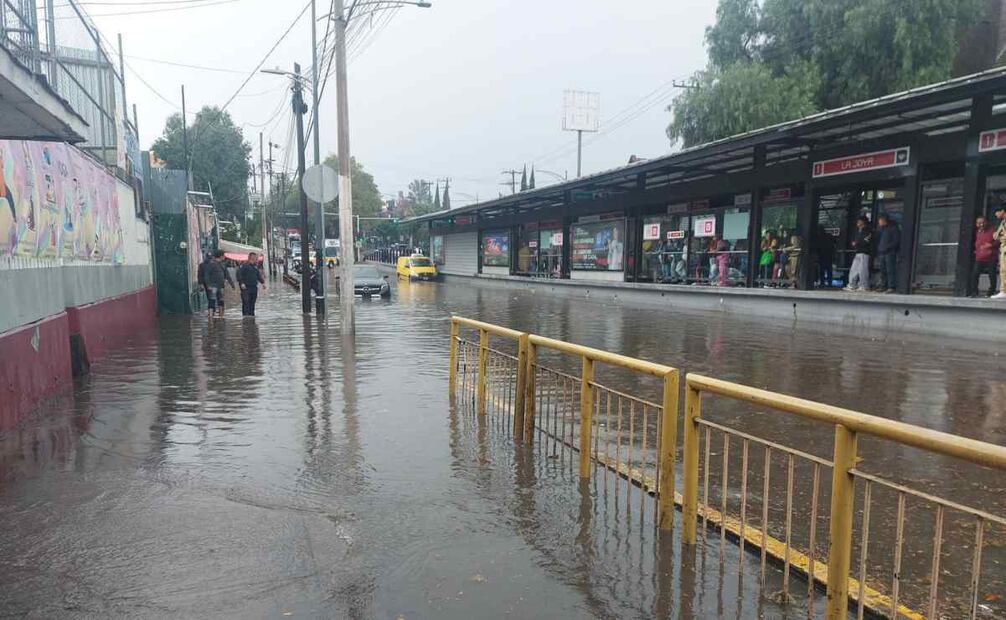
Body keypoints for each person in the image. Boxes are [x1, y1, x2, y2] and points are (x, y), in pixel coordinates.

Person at [971, 216, 998, 297]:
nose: (981, 224)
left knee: (992, 275)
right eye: (979, 223)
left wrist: (991, 245)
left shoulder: (993, 230)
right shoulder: (977, 232)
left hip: (991, 257)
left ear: (986, 222)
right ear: (976, 224)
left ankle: (991, 292)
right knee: (975, 274)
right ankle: (974, 292)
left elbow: (999, 240)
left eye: (983, 222)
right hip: (979, 257)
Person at [204, 249, 235, 318]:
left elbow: (227, 275)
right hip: (213, 286)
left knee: (221, 300)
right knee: (212, 300)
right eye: (223, 256)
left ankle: (221, 315)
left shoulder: (222, 265)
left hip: (221, 286)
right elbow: (207, 275)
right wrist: (208, 285)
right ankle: (211, 316)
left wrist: (232, 284)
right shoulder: (211, 264)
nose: (224, 257)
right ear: (221, 256)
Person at [845, 217, 872, 292]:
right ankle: (852, 285)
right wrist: (854, 243)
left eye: (859, 221)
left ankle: (864, 286)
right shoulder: (857, 231)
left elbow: (866, 241)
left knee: (862, 270)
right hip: (857, 252)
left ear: (863, 222)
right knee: (854, 269)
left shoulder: (868, 231)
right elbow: (854, 240)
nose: (857, 223)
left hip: (864, 252)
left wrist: (857, 243)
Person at [875, 214, 900, 293]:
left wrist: (888, 247)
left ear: (883, 220)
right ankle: (883, 285)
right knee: (883, 270)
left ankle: (891, 286)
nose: (879, 222)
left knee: (890, 270)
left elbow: (896, 240)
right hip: (882, 252)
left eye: (880, 220)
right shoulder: (881, 229)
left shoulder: (893, 228)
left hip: (890, 252)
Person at [237, 252, 266, 316]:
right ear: (252, 257)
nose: (257, 259)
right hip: (246, 288)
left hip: (254, 287)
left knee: (252, 304)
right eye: (256, 257)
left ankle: (252, 317)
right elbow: (239, 275)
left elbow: (258, 276)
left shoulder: (255, 267)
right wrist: (242, 283)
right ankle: (246, 317)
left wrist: (263, 283)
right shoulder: (244, 266)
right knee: (246, 302)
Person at [196, 252, 213, 316]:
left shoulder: (213, 264)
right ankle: (211, 312)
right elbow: (199, 275)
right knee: (211, 297)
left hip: (212, 284)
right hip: (207, 284)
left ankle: (211, 312)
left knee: (212, 297)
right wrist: (201, 284)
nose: (209, 260)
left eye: (210, 258)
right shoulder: (202, 265)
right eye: (208, 258)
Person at [994, 206, 1006, 299]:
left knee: (1004, 270)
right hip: (1003, 248)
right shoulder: (1003, 222)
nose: (996, 214)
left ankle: (1004, 290)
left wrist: (1000, 237)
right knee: (1003, 270)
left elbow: (999, 236)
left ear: (1002, 211)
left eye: (997, 211)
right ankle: (1003, 290)